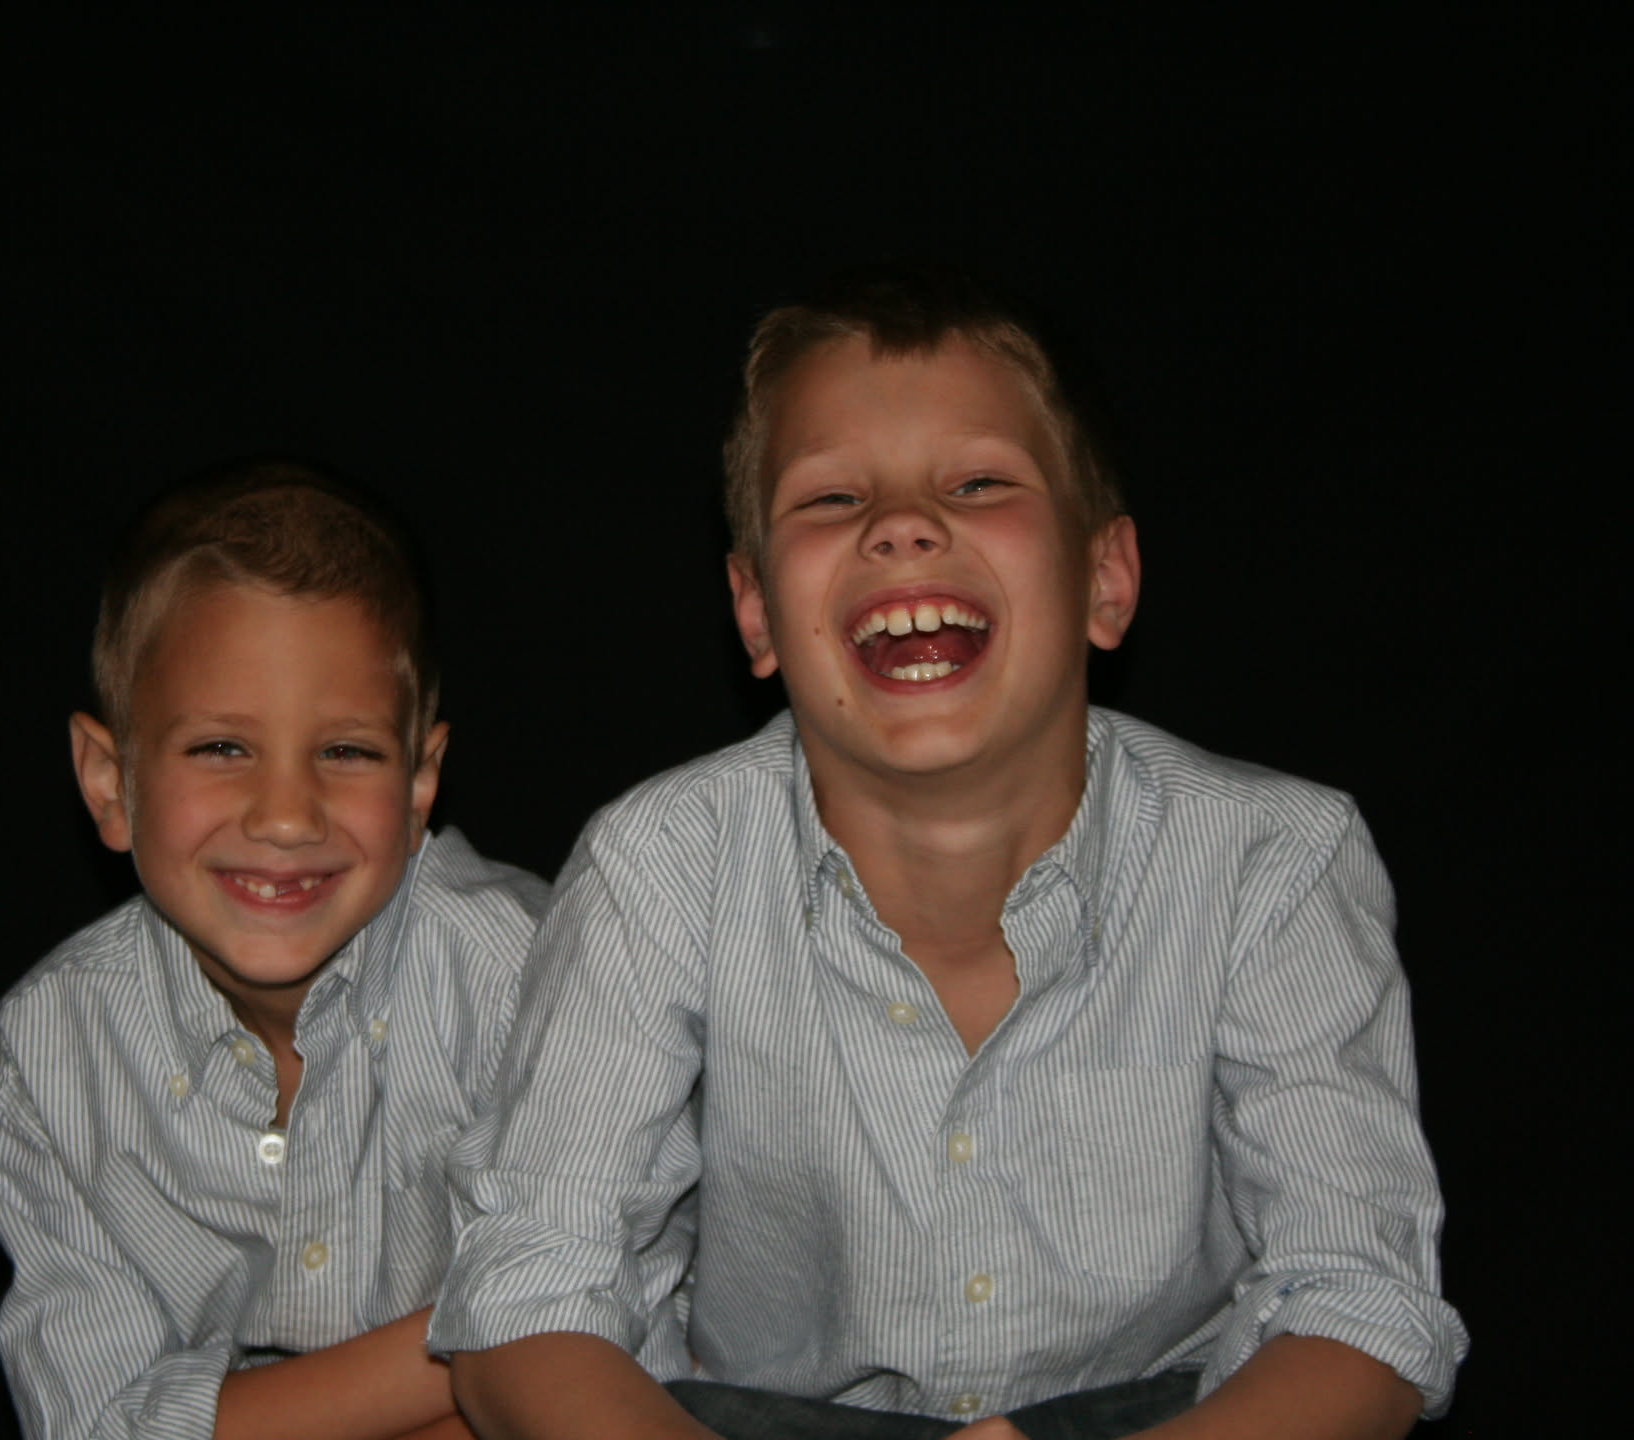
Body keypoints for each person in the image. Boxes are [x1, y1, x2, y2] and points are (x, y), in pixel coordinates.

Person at [429, 266, 1466, 1440]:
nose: (903, 524)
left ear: (1106, 579)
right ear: (757, 612)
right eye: (832, 499)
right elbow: (530, 1294)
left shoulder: (1271, 863)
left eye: (978, 484)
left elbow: (1359, 1305)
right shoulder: (658, 867)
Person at [0, 459, 547, 1440]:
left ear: (419, 785)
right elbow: (101, 1423)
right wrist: (489, 1341)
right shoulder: (43, 1062)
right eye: (222, 749)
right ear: (109, 782)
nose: (285, 816)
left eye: (346, 751)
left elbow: (629, 1329)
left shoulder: (531, 978)